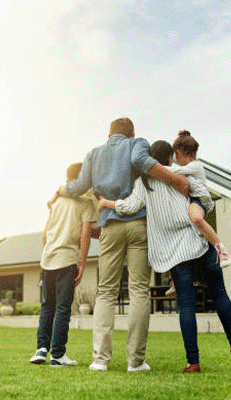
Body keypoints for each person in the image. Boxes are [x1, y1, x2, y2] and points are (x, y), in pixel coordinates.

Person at [98, 140, 231, 373]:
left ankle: (193, 362)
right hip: (197, 241)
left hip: (174, 253)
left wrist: (105, 203)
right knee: (219, 292)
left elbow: (129, 207)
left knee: (186, 303)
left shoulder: (143, 182)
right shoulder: (180, 173)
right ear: (170, 158)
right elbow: (204, 197)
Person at [51, 118, 188, 372]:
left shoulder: (94, 153)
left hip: (110, 227)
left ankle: (100, 360)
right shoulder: (137, 143)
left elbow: (79, 186)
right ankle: (135, 362)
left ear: (109, 134)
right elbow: (141, 161)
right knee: (138, 291)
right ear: (131, 134)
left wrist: (61, 189)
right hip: (138, 226)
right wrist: (175, 179)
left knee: (106, 292)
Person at [30, 163, 97, 367]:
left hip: (48, 259)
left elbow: (44, 234)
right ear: (81, 179)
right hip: (67, 259)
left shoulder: (56, 201)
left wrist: (48, 253)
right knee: (62, 308)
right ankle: (57, 355)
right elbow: (85, 234)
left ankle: (41, 349)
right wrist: (82, 264)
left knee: (47, 306)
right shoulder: (86, 203)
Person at [172, 130, 231, 268]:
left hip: (201, 200)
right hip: (193, 200)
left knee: (196, 219)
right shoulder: (189, 166)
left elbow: (174, 171)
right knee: (191, 227)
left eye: (176, 156)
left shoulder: (195, 166)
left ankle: (222, 251)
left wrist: (152, 167)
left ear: (178, 153)